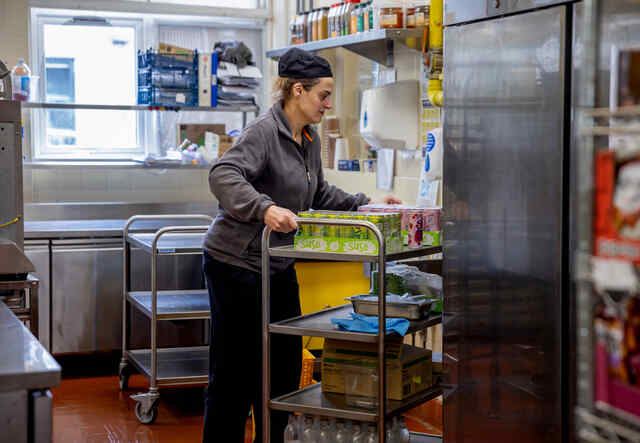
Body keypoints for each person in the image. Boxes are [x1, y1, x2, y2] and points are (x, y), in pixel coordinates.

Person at [202, 47, 400, 443]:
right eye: (323, 95)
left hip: (276, 263)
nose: (328, 104)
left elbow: (319, 193)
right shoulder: (263, 132)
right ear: (297, 90)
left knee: (284, 369)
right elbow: (222, 174)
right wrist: (265, 209)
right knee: (235, 374)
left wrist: (366, 204)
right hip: (236, 265)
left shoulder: (308, 137)